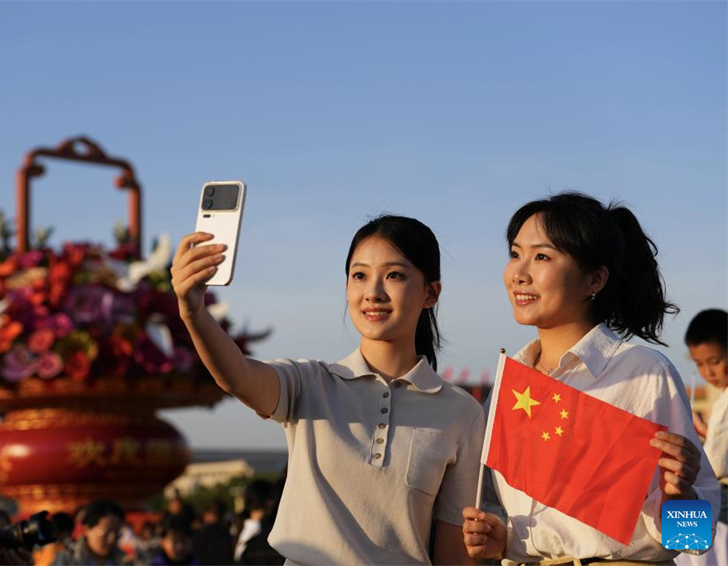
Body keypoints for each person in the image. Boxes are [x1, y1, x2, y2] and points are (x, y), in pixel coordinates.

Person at [171, 214, 485, 565]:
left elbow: (453, 553)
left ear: (431, 292)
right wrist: (193, 311)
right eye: (359, 275)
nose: (373, 293)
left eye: (394, 275)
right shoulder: (309, 383)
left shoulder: (462, 412)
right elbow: (238, 376)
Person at [462, 192, 722, 565]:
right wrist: (499, 539)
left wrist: (678, 493)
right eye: (516, 253)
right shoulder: (510, 383)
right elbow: (497, 509)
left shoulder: (645, 373)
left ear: (595, 278)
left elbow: (694, 540)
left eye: (542, 256)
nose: (519, 272)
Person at [677, 308, 728, 566]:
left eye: (715, 361)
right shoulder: (721, 400)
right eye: (699, 364)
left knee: (702, 555)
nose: (708, 372)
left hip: (721, 502)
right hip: (710, 495)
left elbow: (716, 464)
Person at [52, 499, 134, 566]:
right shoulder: (67, 559)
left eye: (117, 533)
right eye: (105, 532)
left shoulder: (125, 561)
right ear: (87, 529)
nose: (111, 539)